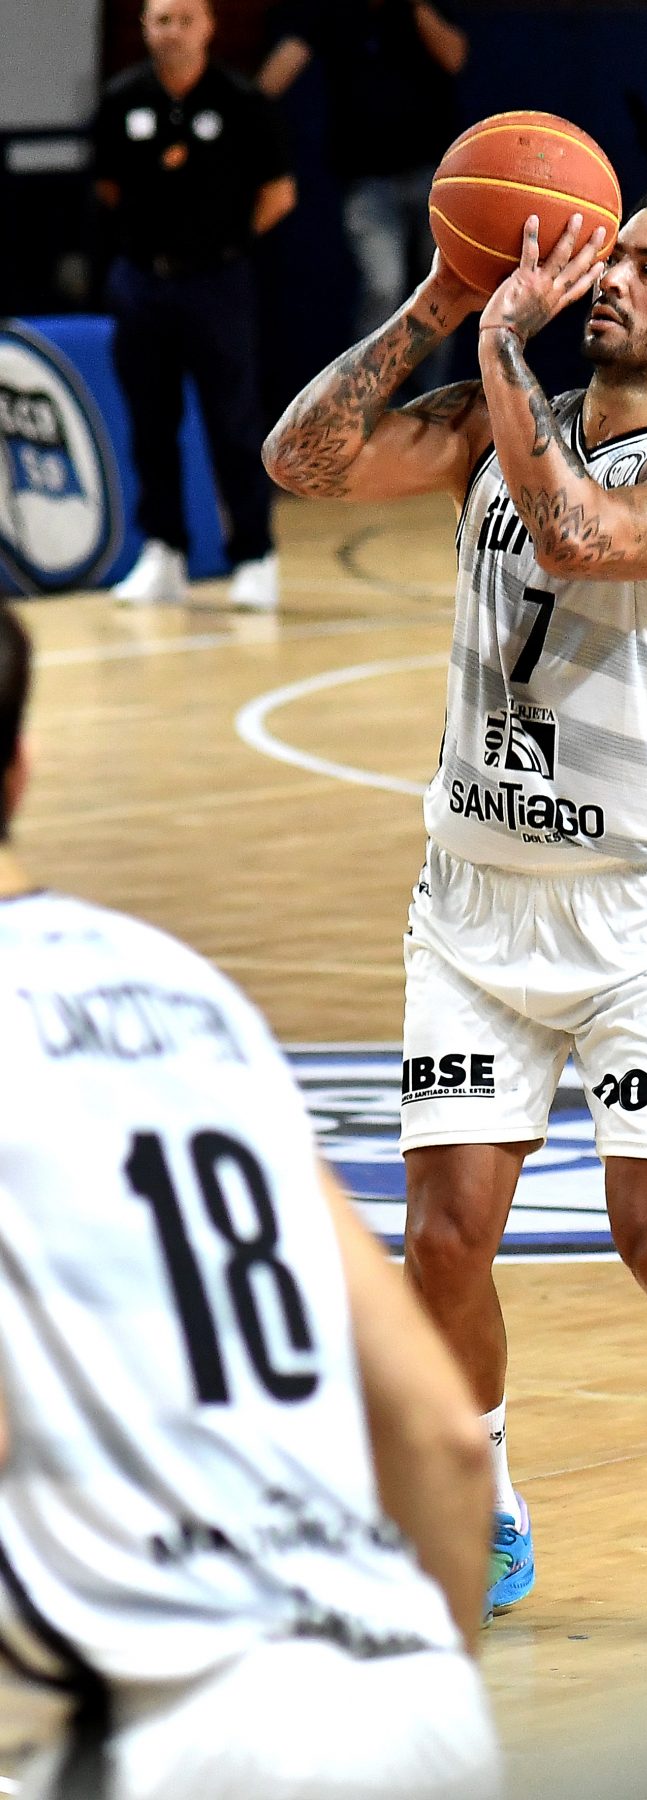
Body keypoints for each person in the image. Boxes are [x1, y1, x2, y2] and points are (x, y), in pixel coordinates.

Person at [262, 179, 647, 1655]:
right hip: (473, 904)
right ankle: (488, 1509)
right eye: (615, 255)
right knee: (443, 1239)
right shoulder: (496, 414)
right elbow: (301, 460)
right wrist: (441, 300)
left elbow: (581, 532)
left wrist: (501, 356)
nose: (617, 279)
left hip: (641, 918)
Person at [0, 605, 501, 1797]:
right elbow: (442, 1437)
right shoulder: (190, 993)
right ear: (20, 766)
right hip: (411, 1704)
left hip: (152, 1723)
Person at [94, 0, 297, 612]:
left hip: (217, 282)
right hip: (142, 281)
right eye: (162, 20)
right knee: (150, 422)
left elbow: (279, 193)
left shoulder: (241, 100)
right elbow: (107, 186)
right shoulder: (121, 99)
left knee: (232, 420)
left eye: (185, 19)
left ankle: (255, 556)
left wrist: (219, 243)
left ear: (208, 26)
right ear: (144, 28)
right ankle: (163, 552)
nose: (174, 32)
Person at [259, 0, 467, 355]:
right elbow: (279, 70)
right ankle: (368, 381)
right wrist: (240, 107)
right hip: (367, 182)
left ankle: (434, 387)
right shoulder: (333, 10)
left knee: (441, 290)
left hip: (433, 178)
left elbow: (454, 56)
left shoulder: (423, 7)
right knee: (383, 285)